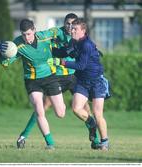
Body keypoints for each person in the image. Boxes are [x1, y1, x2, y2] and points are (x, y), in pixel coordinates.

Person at [17, 13, 100, 150]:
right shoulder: (56, 32)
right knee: (43, 106)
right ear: (64, 23)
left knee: (84, 107)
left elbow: (87, 50)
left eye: (73, 24)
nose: (70, 26)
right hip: (57, 76)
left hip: (73, 76)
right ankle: (24, 136)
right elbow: (42, 36)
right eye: (67, 23)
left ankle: (95, 140)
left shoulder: (78, 35)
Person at [0, 18, 67, 149]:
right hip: (32, 80)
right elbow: (5, 63)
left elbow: (59, 31)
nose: (26, 37)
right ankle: (50, 143)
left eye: (28, 33)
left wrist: (68, 38)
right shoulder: (16, 45)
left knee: (61, 113)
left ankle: (23, 134)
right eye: (23, 34)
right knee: (39, 110)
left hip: (50, 76)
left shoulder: (45, 36)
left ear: (34, 30)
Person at [48, 18, 111, 150]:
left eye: (75, 28)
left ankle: (105, 142)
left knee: (98, 113)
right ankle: (91, 122)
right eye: (71, 28)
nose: (72, 30)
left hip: (97, 82)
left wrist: (62, 63)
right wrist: (50, 47)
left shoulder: (86, 45)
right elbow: (64, 52)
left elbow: (81, 65)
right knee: (76, 108)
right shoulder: (73, 41)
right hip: (83, 82)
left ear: (83, 30)